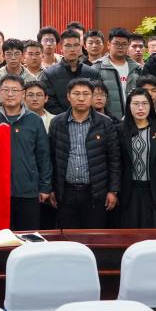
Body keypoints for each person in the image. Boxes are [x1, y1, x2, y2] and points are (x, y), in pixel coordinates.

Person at [0, 75, 52, 231]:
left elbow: (43, 156)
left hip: (27, 189)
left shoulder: (34, 120)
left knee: (27, 235)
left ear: (23, 93)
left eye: (15, 90)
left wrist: (45, 187)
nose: (10, 94)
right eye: (6, 90)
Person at [48, 78, 121, 229]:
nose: (81, 98)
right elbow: (51, 158)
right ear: (68, 96)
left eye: (86, 94)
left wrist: (113, 190)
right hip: (66, 192)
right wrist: (52, 189)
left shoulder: (106, 123)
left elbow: (114, 159)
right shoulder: (57, 123)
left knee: (94, 236)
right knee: (68, 237)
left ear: (92, 96)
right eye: (76, 93)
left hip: (95, 192)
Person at [117, 88, 156, 229]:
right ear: (128, 106)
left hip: (154, 190)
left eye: (145, 103)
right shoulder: (119, 130)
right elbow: (116, 164)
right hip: (128, 191)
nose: (140, 108)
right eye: (135, 104)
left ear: (151, 106)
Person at [41, 29, 100, 114]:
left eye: (76, 45)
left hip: (88, 118)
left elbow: (97, 98)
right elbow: (49, 102)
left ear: (80, 46)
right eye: (68, 46)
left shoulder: (92, 72)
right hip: (60, 119)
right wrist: (67, 117)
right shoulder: (49, 74)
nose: (72, 49)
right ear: (61, 48)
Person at [92, 27, 142, 121]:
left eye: (124, 44)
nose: (120, 47)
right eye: (116, 43)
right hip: (107, 121)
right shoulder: (97, 68)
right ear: (108, 44)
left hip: (133, 120)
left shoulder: (137, 68)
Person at [0, 39, 32, 104]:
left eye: (17, 54)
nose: (13, 58)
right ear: (3, 56)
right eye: (9, 54)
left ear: (23, 55)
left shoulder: (31, 79)